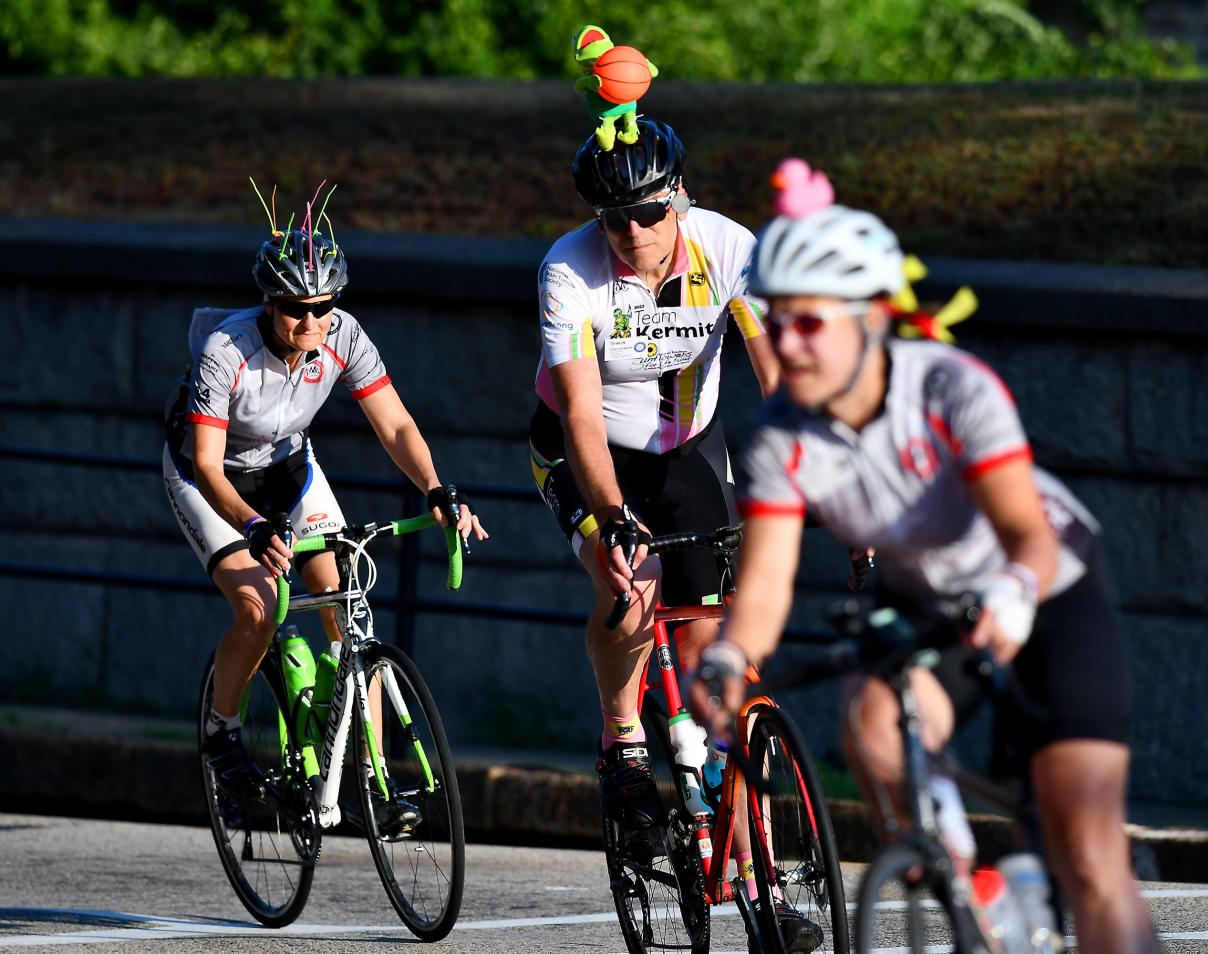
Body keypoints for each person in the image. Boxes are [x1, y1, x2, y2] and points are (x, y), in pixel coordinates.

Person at [691, 161, 1156, 954]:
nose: (788, 344)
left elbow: (1028, 535)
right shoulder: (779, 439)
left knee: (1088, 850)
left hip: (1044, 590)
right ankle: (966, 888)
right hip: (931, 603)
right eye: (777, 320)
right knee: (872, 725)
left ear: (872, 318)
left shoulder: (950, 388)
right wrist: (730, 653)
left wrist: (1013, 593)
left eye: (812, 323)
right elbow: (766, 584)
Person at [530, 119, 824, 948]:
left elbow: (776, 382)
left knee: (723, 668)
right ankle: (623, 743)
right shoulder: (568, 268)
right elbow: (583, 412)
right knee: (627, 585)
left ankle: (762, 885)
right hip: (586, 453)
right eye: (612, 218)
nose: (631, 234)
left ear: (680, 199)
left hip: (687, 450)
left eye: (648, 214)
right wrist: (613, 516)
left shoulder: (732, 250)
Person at [163, 210, 486, 819]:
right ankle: (221, 732)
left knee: (347, 605)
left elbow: (394, 424)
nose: (310, 321)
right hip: (209, 477)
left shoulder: (344, 336)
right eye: (294, 308)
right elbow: (208, 466)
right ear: (268, 301)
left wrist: (439, 490)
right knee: (258, 608)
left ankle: (372, 776)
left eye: (323, 306)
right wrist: (255, 528)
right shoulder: (225, 350)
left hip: (289, 469)